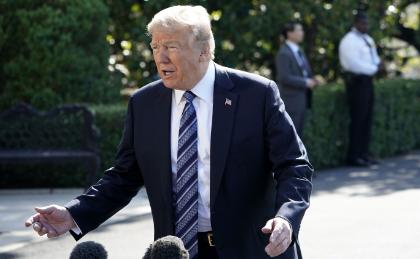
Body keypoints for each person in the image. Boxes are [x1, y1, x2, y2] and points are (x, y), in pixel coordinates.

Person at [25, 5, 313, 259]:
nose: (160, 57)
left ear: (204, 51)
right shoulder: (144, 103)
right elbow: (124, 177)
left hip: (253, 250)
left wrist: (285, 219)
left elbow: (294, 165)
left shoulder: (256, 94)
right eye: (155, 47)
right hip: (176, 251)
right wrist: (73, 214)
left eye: (172, 46)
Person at [339, 13, 384, 167]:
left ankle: (364, 153)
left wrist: (377, 66)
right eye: (363, 24)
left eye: (367, 23)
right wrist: (373, 69)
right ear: (356, 23)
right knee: (357, 119)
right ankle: (354, 155)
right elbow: (353, 64)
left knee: (367, 119)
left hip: (368, 82)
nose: (366, 26)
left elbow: (374, 58)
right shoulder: (349, 40)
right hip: (356, 82)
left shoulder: (368, 39)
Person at [275, 21, 318, 137]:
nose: (302, 33)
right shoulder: (283, 53)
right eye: (299, 30)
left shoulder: (298, 51)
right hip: (291, 101)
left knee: (298, 136)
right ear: (289, 33)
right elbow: (284, 77)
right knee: (290, 137)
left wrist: (313, 80)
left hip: (302, 100)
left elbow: (304, 72)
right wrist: (306, 82)